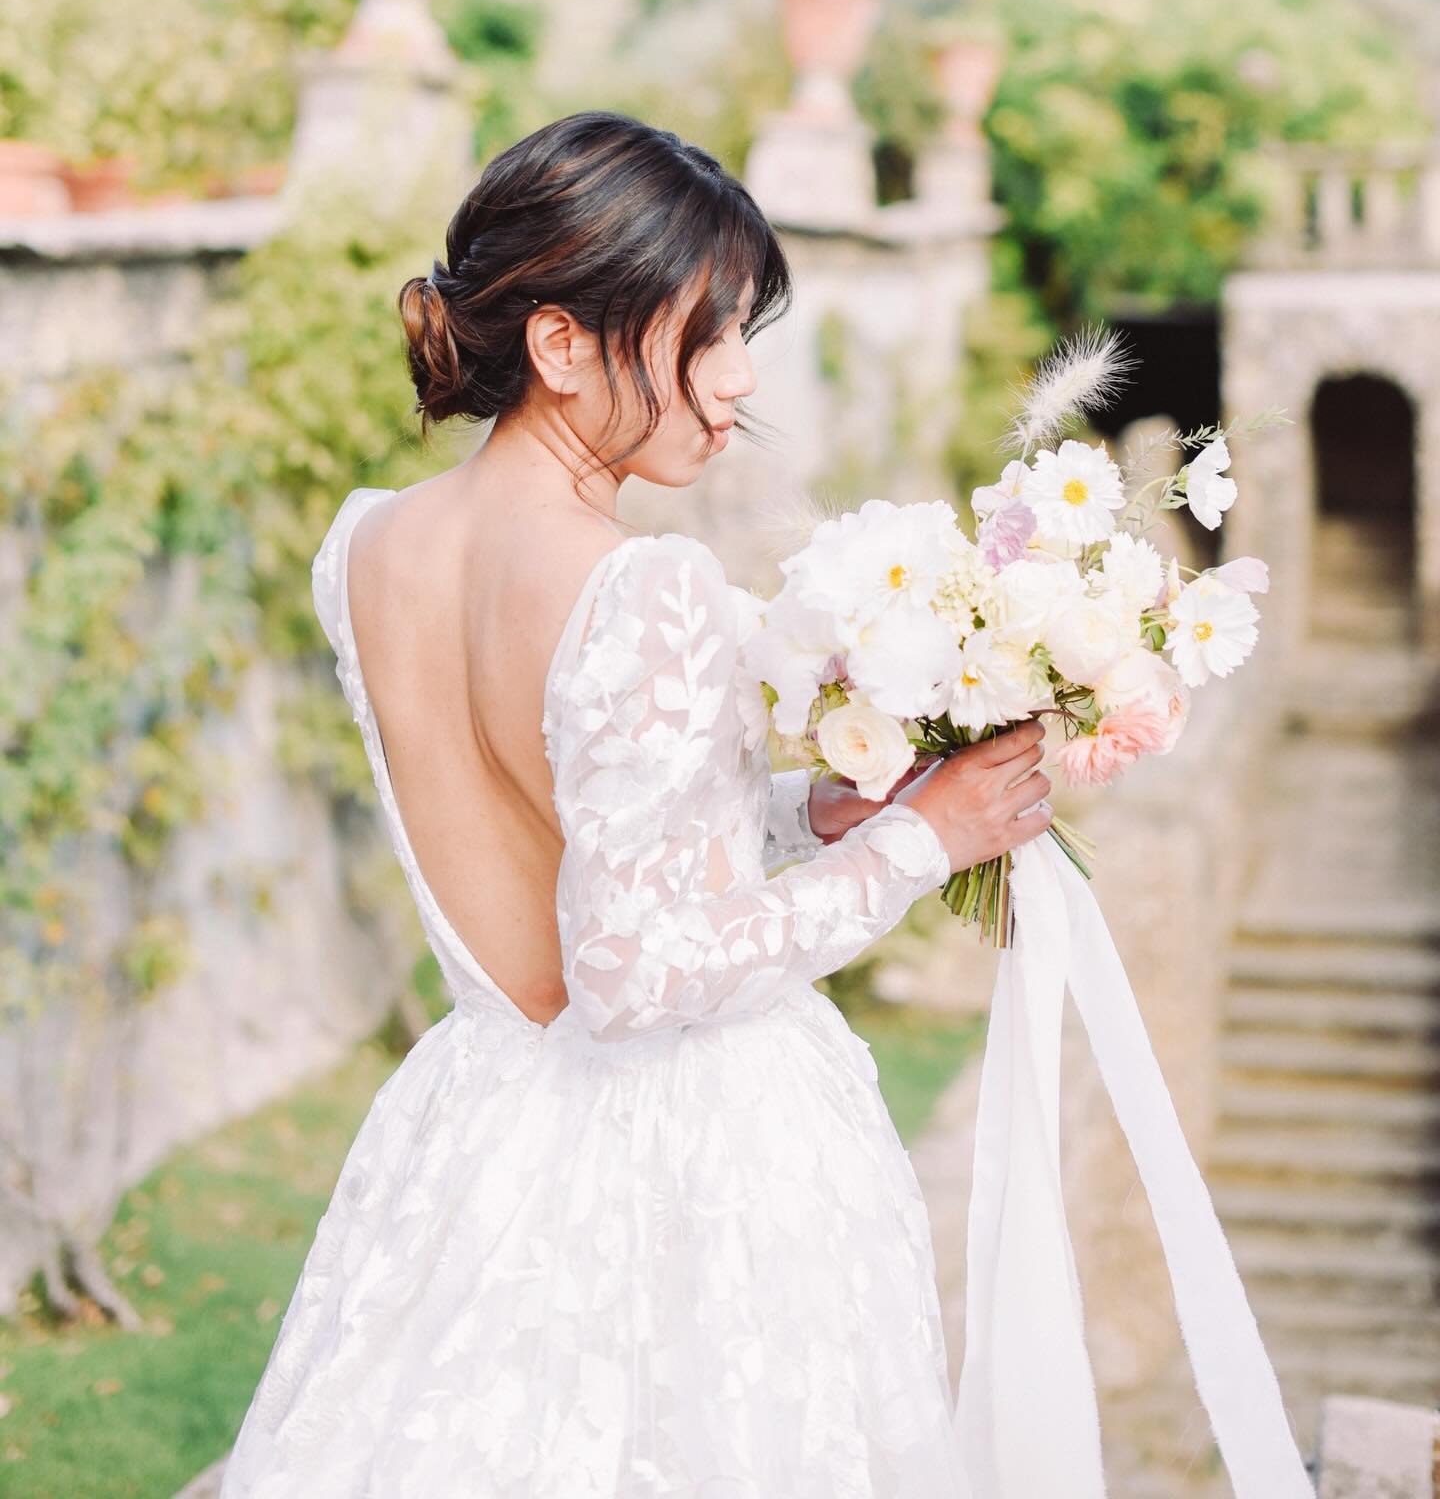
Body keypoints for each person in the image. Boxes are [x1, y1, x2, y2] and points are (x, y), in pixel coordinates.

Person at [219, 110, 1053, 1497]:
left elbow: (589, 815)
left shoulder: (363, 544)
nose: (735, 383)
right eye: (706, 333)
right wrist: (929, 834)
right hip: (689, 1154)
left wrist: (814, 815)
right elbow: (636, 968)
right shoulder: (641, 587)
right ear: (560, 345)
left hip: (482, 1128)